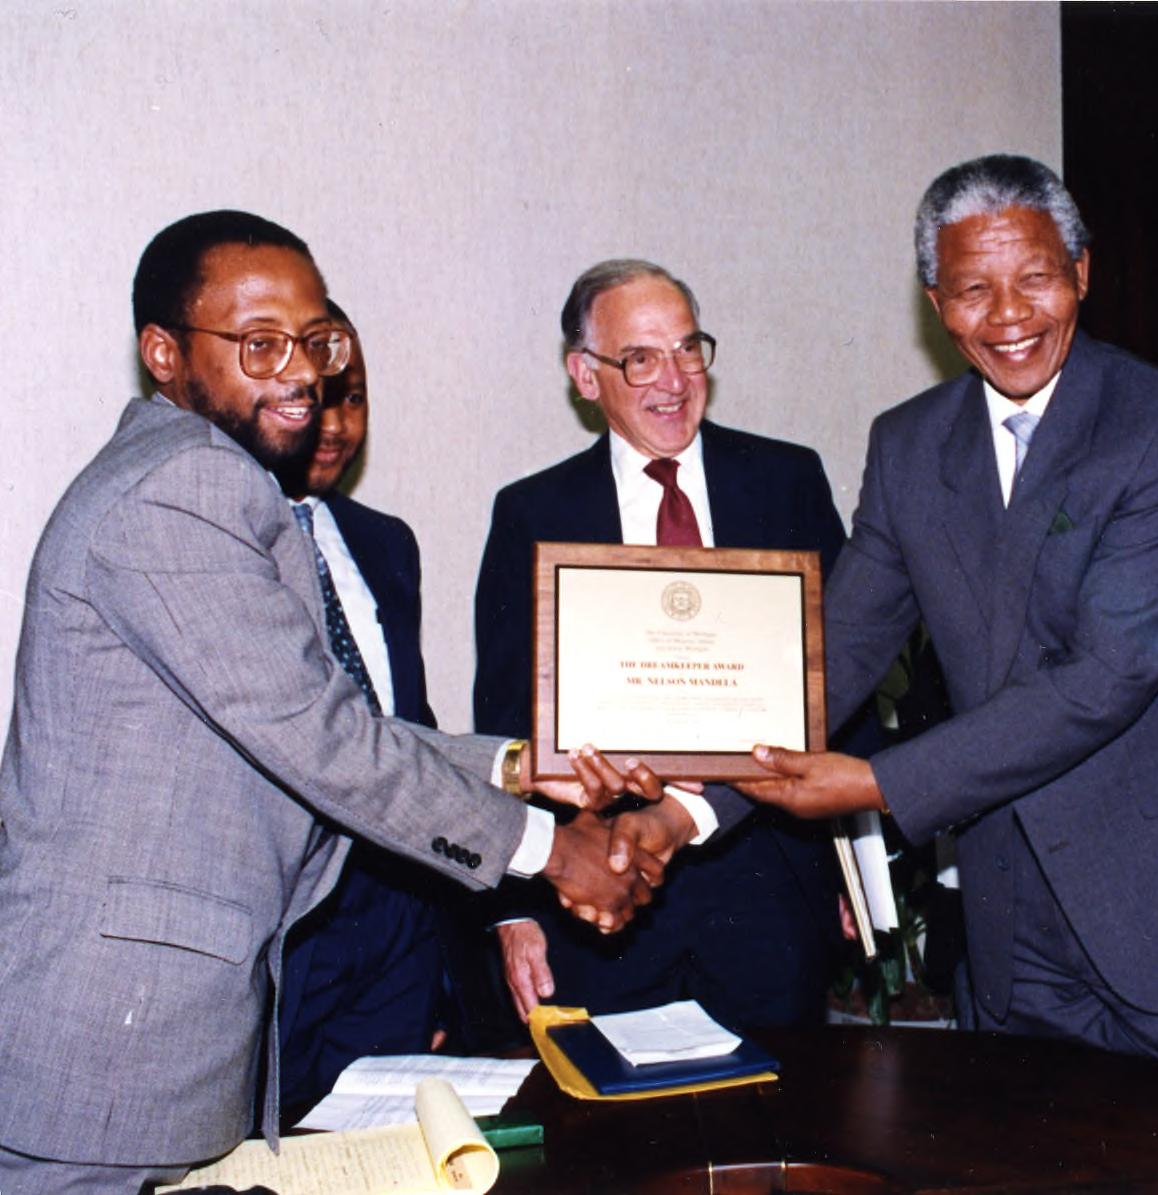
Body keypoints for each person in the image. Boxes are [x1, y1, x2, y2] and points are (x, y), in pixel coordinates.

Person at [0, 211, 663, 1192]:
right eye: (260, 343)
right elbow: (322, 739)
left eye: (317, 340)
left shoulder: (196, 478)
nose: (301, 372)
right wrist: (551, 849)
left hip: (148, 1039)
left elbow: (313, 717)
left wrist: (522, 764)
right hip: (112, 1047)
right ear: (164, 353)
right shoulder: (183, 487)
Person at [739, 154, 1158, 1071]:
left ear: (1081, 273)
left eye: (1036, 279)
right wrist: (682, 811)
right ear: (936, 302)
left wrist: (881, 784)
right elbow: (838, 649)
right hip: (1007, 919)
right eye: (973, 289)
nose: (1008, 317)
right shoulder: (907, 444)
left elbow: (1104, 676)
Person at [472, 259, 854, 1032]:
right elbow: (503, 724)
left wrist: (856, 863)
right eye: (640, 357)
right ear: (585, 375)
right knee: (621, 1141)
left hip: (769, 886)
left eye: (688, 349)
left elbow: (840, 673)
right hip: (606, 894)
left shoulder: (786, 480)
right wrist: (515, 906)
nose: (673, 380)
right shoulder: (531, 512)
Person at [277, 302, 462, 1119]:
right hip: (284, 925)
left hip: (396, 919)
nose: (335, 423)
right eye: (314, 398)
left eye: (350, 397)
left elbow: (409, 732)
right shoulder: (222, 548)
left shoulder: (387, 543)